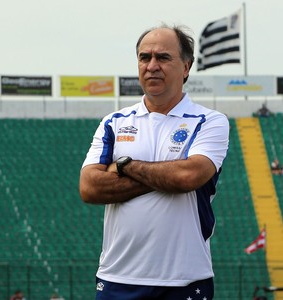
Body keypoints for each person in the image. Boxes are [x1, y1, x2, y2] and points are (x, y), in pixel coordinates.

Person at [79, 24, 229, 300]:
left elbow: (187, 177)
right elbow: (90, 188)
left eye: (163, 57)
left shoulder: (209, 121)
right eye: (144, 57)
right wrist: (166, 173)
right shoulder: (114, 122)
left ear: (186, 67)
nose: (152, 65)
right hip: (117, 277)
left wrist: (124, 166)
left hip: (185, 278)